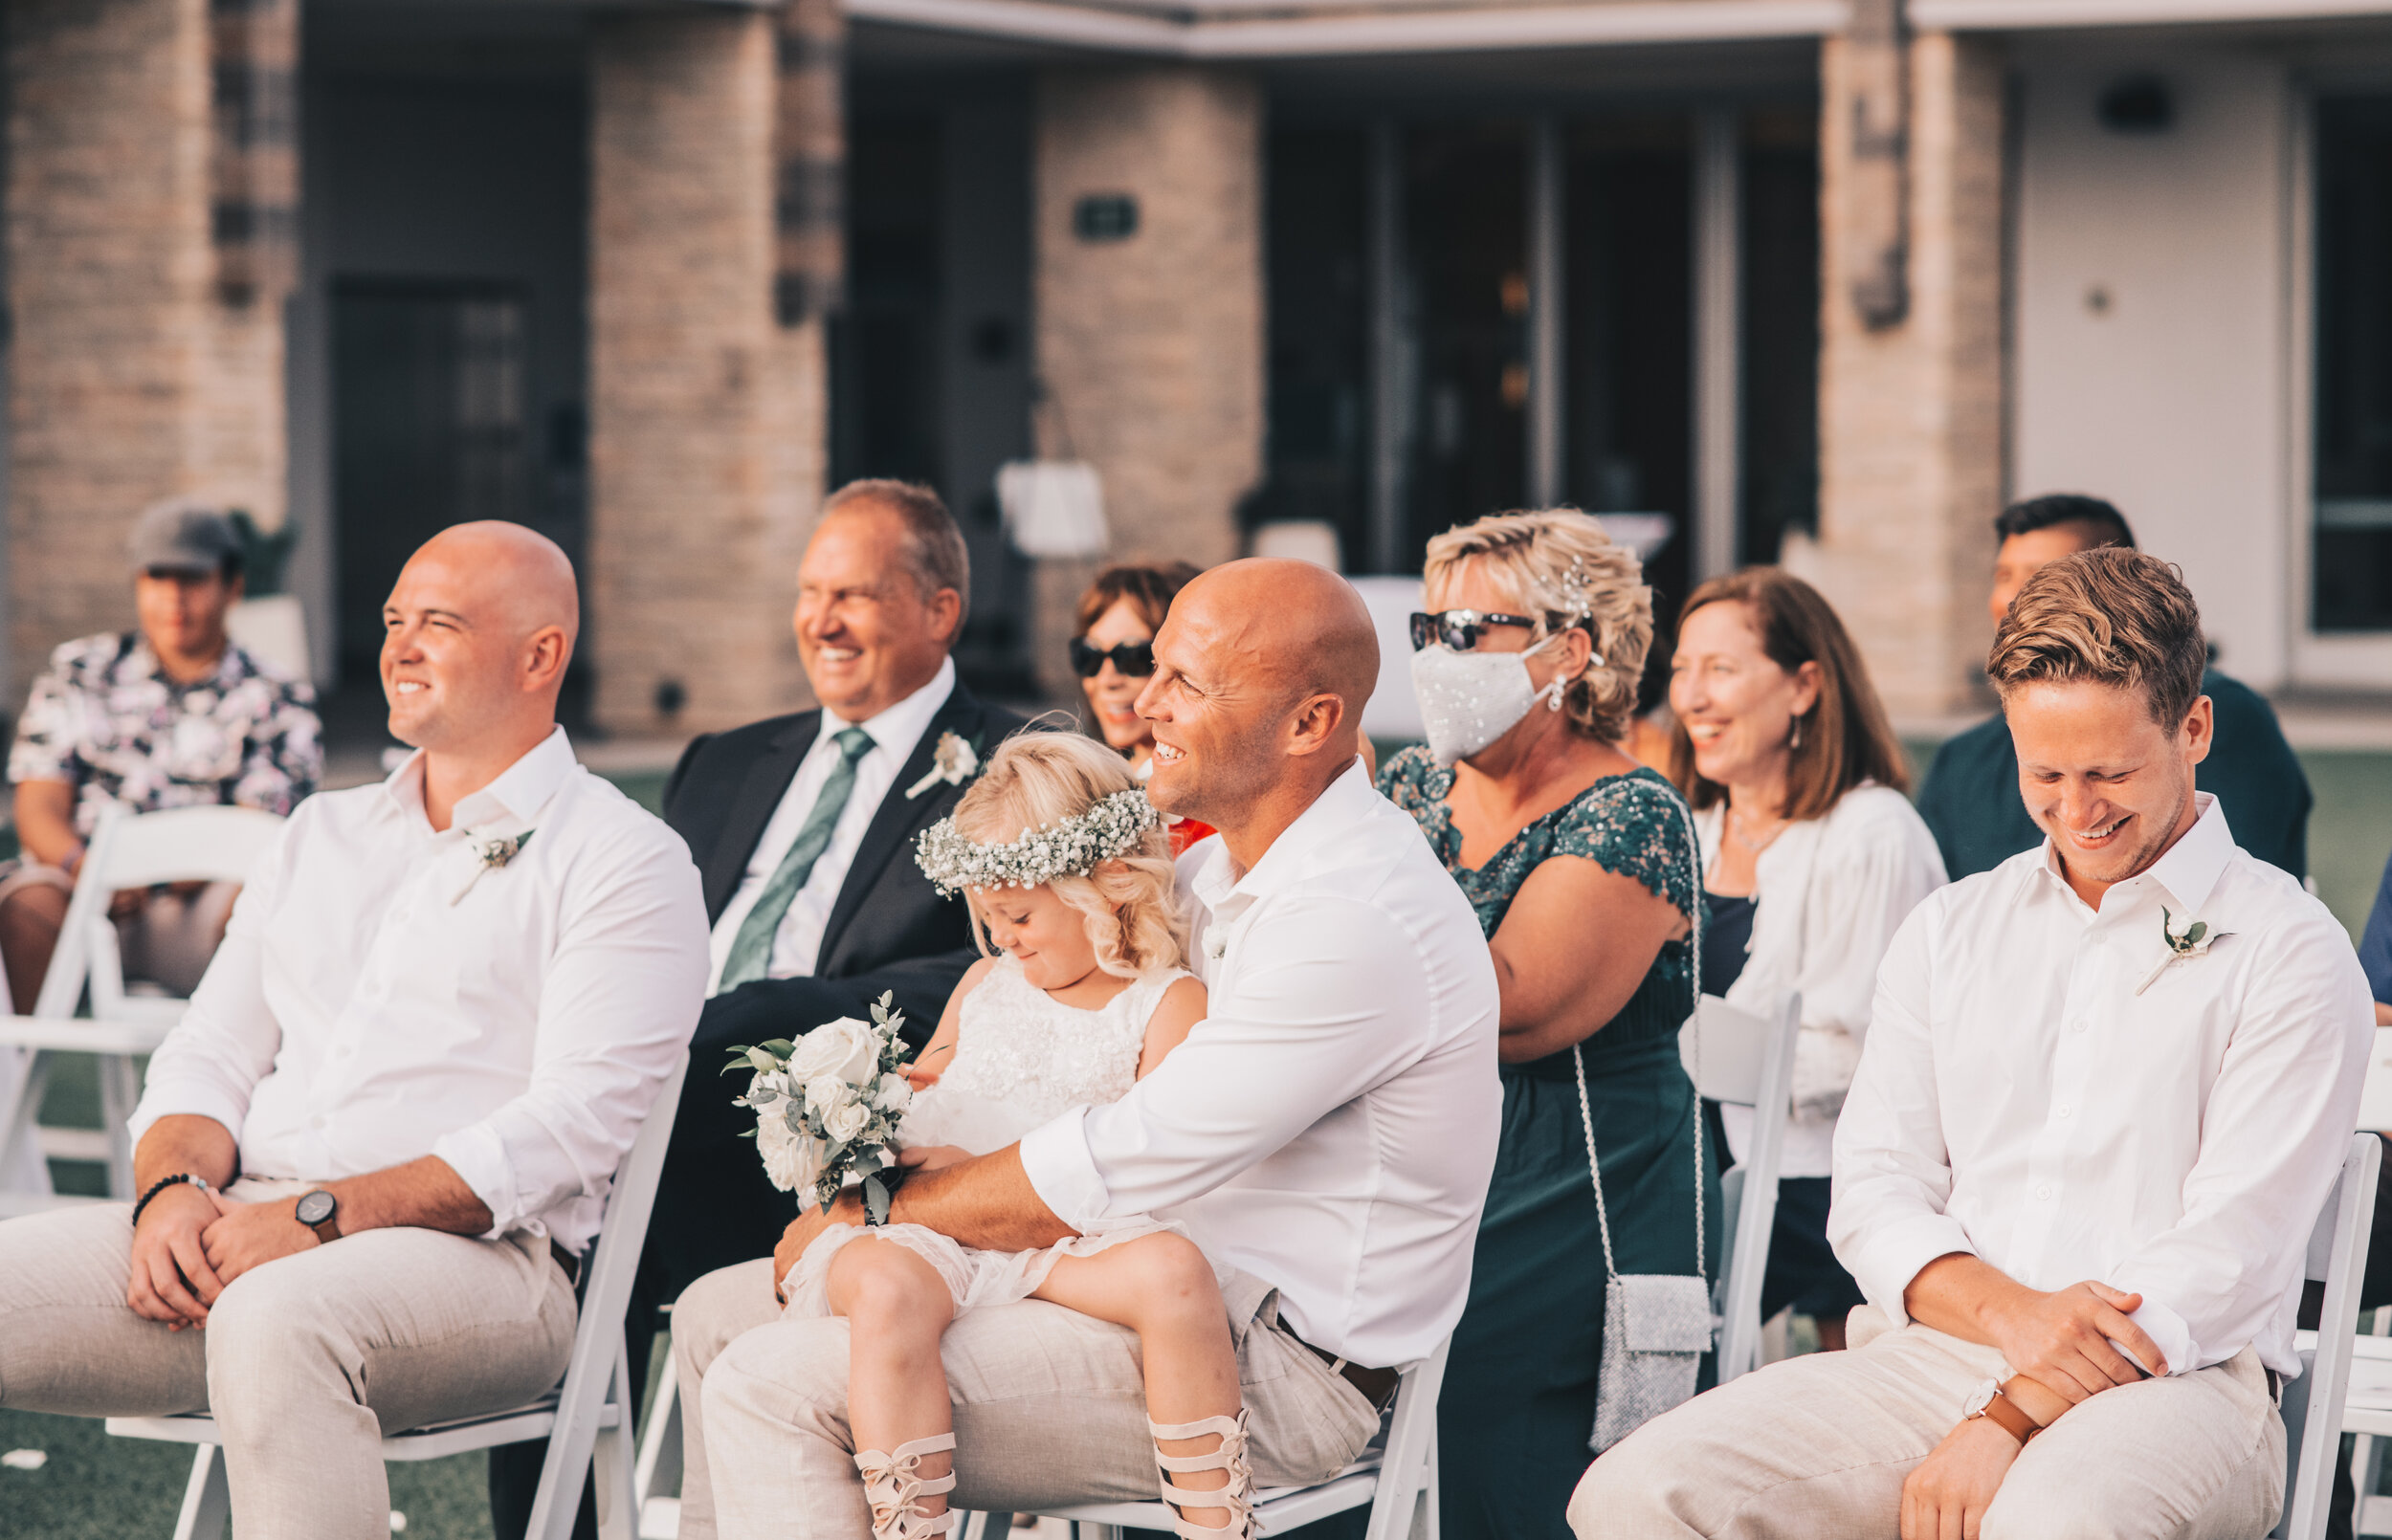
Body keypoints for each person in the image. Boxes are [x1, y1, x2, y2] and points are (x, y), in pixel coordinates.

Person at [661, 558, 1501, 1540]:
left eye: (1186, 680)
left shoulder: (1353, 917)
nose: (1144, 701)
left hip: (1267, 1362)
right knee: (717, 1312)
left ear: (1309, 723)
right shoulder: (1208, 871)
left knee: (773, 1381)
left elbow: (1134, 1148)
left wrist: (883, 1204)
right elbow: (1053, 988)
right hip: (1130, 1283)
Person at [1568, 547, 2372, 1540]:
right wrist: (2010, 1319)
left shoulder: (2288, 946)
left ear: (2192, 726)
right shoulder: (1952, 928)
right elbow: (1872, 1190)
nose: (2077, 811)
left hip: (2185, 1384)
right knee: (1632, 1492)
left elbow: (2228, 1254)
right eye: (2046, 773)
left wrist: (2006, 1411)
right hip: (1929, 1354)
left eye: (2111, 771)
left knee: (2048, 1522)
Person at [0, 522, 711, 1540]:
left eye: (439, 623)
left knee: (279, 1319)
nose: (400, 646)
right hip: (237, 1225)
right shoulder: (316, 833)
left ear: (539, 654)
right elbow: (209, 1052)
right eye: (393, 621)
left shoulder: (624, 858)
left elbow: (572, 1128)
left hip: (488, 1265)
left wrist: (317, 1218)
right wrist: (167, 1191)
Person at [489, 481, 1035, 1538]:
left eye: (858, 595)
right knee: (553, 1194)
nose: (822, 621)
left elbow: (985, 967)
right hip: (636, 1094)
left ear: (940, 611)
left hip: (799, 1139)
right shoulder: (725, 758)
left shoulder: (1008, 766)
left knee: (583, 1204)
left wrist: (757, 1014)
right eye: (810, 592)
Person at [773, 732, 1257, 1539]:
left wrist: (988, 1176)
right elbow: (917, 1089)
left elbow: (1158, 1171)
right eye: (989, 917)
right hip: (942, 1232)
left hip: (1068, 1237)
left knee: (1174, 1272)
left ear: (1109, 885)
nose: (1004, 940)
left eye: (1022, 915)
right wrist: (856, 1121)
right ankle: (909, 1523)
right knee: (886, 1288)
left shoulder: (1166, 1004)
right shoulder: (986, 983)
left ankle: (1215, 1519)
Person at [1376, 508, 1714, 1540]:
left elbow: (1513, 1007)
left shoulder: (1632, 811)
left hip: (1583, 1172)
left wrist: (1348, 879)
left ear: (1566, 649)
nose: (1438, 657)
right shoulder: (1408, 785)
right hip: (1430, 1145)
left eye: (1468, 630)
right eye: (1425, 631)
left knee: (1453, 1358)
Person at [1666, 567, 1946, 1353]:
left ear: (1804, 686)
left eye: (1720, 669)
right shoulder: (1685, 830)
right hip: (1693, 1168)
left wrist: (1690, 1062)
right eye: (1682, 669)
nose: (1690, 696)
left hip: (1820, 1180)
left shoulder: (1871, 834)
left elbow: (1872, 1056)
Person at [0, 497, 321, 1011]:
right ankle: (21, 1078)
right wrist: (85, 869)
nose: (174, 598)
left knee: (261, 907)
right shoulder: (80, 669)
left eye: (193, 578)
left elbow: (262, 828)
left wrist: (140, 872)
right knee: (25, 905)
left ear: (232, 586)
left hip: (197, 904)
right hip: (79, 891)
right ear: (137, 585)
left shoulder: (277, 694)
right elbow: (38, 803)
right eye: (157, 577)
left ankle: (222, 1073)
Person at [1917, 493, 2310, 881]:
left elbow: (2236, 886)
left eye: (2041, 577)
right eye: (2004, 576)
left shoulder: (2228, 718)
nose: (2011, 599)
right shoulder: (1962, 760)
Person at [1074, 561, 1216, 854]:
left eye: (1134, 657)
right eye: (1089, 655)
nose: (1106, 679)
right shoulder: (1077, 780)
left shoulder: (1211, 809)